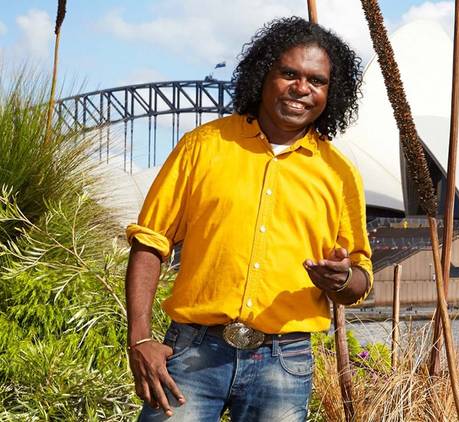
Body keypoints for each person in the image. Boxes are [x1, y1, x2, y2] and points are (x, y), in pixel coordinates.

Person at [124, 17, 371, 421]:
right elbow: (149, 242)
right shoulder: (203, 147)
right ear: (263, 75)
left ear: (331, 92)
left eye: (317, 80)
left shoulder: (338, 173)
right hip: (191, 353)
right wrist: (139, 339)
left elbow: (361, 276)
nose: (301, 88)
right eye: (289, 73)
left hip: (284, 361)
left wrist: (342, 280)